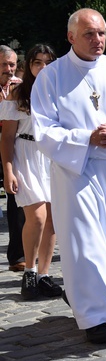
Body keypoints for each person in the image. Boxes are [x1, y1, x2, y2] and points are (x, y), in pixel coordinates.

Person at [31, 8, 106, 344]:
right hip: (76, 171)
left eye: (102, 33)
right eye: (89, 34)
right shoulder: (51, 77)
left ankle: (81, 295)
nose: (97, 40)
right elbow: (44, 130)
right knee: (85, 243)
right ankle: (94, 318)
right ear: (71, 37)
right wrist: (87, 138)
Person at [0, 44, 62, 300]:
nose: (43, 68)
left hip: (52, 157)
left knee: (52, 220)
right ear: (29, 66)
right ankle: (29, 271)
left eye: (48, 62)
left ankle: (44, 275)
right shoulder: (17, 93)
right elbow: (6, 137)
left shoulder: (59, 93)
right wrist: (8, 171)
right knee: (35, 217)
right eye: (38, 62)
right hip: (25, 154)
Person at [0, 45, 25, 272]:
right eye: (4, 65)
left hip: (12, 146)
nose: (9, 69)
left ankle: (17, 255)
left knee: (16, 200)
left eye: (12, 65)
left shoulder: (20, 88)